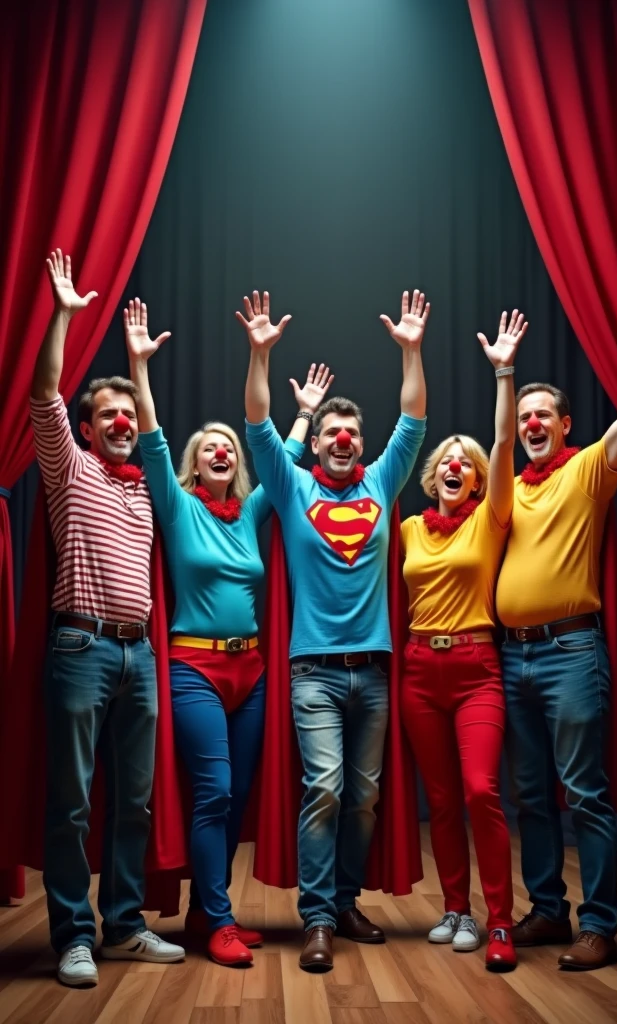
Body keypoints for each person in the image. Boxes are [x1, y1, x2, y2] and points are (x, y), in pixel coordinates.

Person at [124, 297, 334, 967]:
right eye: (207, 446)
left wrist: (292, 400)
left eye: (228, 446)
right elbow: (152, 438)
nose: (221, 449)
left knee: (234, 798)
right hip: (194, 671)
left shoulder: (249, 514)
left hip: (253, 673)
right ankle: (216, 920)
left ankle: (203, 911)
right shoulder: (180, 506)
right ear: (192, 464)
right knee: (212, 791)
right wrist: (138, 367)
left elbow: (283, 451)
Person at [498, 271, 617, 970]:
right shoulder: (507, 487)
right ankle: (548, 911)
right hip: (510, 655)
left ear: (566, 424)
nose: (533, 426)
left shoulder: (588, 470)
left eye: (543, 416)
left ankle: (599, 923)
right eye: (524, 420)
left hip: (570, 652)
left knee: (584, 791)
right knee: (530, 795)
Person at [241, 288, 428, 971]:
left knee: (366, 796)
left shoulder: (382, 482)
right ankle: (317, 916)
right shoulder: (292, 489)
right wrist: (259, 355)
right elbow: (259, 425)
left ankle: (346, 901)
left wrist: (411, 351)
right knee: (324, 787)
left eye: (353, 432)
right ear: (316, 442)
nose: (344, 441)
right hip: (314, 673)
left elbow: (413, 418)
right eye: (332, 433)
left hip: (373, 672)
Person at [29, 251, 185, 987]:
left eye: (129, 415)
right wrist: (64, 315)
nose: (122, 423)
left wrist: (139, 369)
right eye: (108, 416)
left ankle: (123, 926)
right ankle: (73, 936)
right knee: (72, 801)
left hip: (140, 655)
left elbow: (157, 437)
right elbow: (43, 396)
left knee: (135, 800)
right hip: (81, 646)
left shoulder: (151, 486)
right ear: (89, 428)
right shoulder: (72, 468)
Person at [400, 310, 527, 972]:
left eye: (466, 462)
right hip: (419, 670)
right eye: (446, 460)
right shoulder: (411, 532)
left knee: (481, 790)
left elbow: (505, 444)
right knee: (442, 799)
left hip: (477, 665)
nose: (455, 465)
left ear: (478, 480)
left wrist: (504, 372)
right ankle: (457, 909)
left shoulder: (491, 521)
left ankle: (499, 920)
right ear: (434, 475)